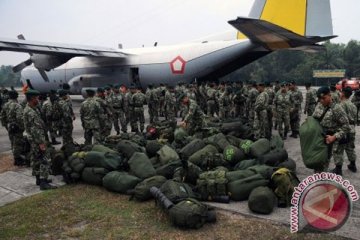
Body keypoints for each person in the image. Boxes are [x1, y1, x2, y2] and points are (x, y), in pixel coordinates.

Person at [312, 86, 351, 174]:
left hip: (330, 140)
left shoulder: (337, 108)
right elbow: (315, 118)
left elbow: (346, 126)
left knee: (324, 163)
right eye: (319, 98)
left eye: (323, 98)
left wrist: (334, 137)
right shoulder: (319, 105)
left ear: (330, 95)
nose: (321, 100)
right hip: (319, 139)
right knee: (317, 163)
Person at [23, 89, 56, 190]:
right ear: (32, 98)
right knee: (45, 159)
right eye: (36, 98)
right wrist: (41, 143)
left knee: (36, 159)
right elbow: (35, 129)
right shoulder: (31, 112)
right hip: (37, 140)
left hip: (34, 140)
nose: (38, 99)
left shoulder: (31, 109)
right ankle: (43, 182)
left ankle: (38, 179)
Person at [0, 90, 25, 166]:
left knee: (12, 142)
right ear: (16, 96)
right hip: (17, 127)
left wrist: (6, 126)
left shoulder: (5, 105)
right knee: (18, 143)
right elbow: (20, 118)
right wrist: (22, 127)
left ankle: (16, 157)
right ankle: (17, 160)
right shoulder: (17, 106)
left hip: (10, 126)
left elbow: (2, 117)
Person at [339, 87, 357, 172]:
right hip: (352, 128)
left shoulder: (342, 104)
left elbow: (340, 118)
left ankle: (338, 169)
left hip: (344, 129)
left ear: (343, 93)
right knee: (350, 147)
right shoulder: (353, 105)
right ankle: (353, 165)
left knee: (339, 148)